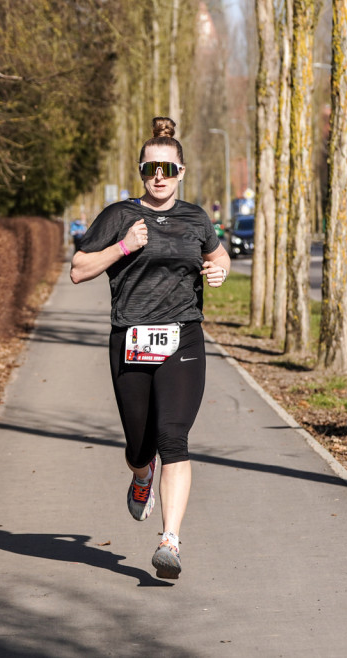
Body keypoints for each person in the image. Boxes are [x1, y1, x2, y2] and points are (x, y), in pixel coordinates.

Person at [70, 117, 230, 580]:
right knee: (141, 445)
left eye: (168, 168)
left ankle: (170, 542)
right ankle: (141, 477)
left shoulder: (196, 218)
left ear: (181, 172)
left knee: (173, 438)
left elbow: (217, 257)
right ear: (141, 171)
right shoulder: (119, 215)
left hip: (184, 337)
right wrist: (123, 246)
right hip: (131, 338)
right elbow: (79, 269)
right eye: (150, 168)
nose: (159, 176)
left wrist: (217, 270)